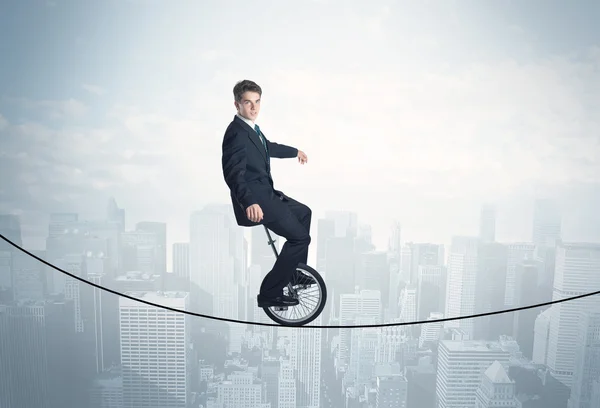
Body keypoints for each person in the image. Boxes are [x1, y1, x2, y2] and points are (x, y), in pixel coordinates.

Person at [221, 79, 315, 308]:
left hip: (267, 194)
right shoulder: (236, 133)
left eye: (257, 102)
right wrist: (249, 202)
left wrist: (295, 152)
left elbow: (267, 147)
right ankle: (270, 293)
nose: (254, 108)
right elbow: (232, 173)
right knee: (300, 238)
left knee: (304, 213)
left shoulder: (251, 129)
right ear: (237, 105)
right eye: (248, 103)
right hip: (257, 200)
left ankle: (292, 273)